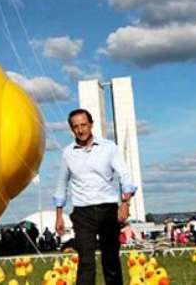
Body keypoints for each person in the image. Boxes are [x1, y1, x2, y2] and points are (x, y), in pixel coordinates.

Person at [53, 108, 136, 285]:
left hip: (107, 209)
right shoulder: (68, 153)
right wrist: (59, 215)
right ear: (71, 129)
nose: (80, 130)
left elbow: (125, 175)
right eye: (75, 127)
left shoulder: (109, 148)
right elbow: (61, 184)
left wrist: (125, 203)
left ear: (91, 125)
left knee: (111, 258)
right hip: (83, 212)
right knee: (86, 261)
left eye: (83, 125)